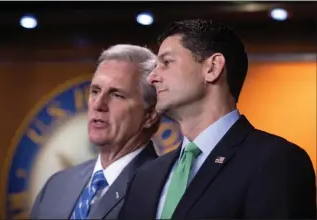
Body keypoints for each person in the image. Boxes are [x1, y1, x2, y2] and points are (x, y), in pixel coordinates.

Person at [118, 19, 316, 219]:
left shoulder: (275, 162)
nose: (152, 77)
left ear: (212, 67)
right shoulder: (145, 177)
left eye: (166, 63)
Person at [30, 44, 160, 219]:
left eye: (117, 95)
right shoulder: (56, 186)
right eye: (95, 91)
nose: (98, 104)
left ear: (150, 115)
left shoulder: (162, 190)